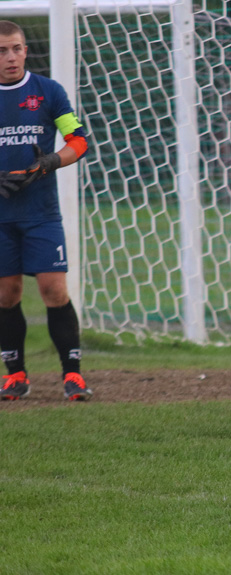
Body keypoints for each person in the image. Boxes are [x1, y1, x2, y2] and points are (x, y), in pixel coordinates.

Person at [0, 21, 92, 402]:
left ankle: (73, 376)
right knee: (7, 294)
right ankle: (15, 375)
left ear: (25, 49)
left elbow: (79, 140)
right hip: (2, 217)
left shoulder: (48, 91)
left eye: (16, 48)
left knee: (54, 289)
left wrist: (52, 161)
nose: (10, 57)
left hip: (42, 213)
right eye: (2, 51)